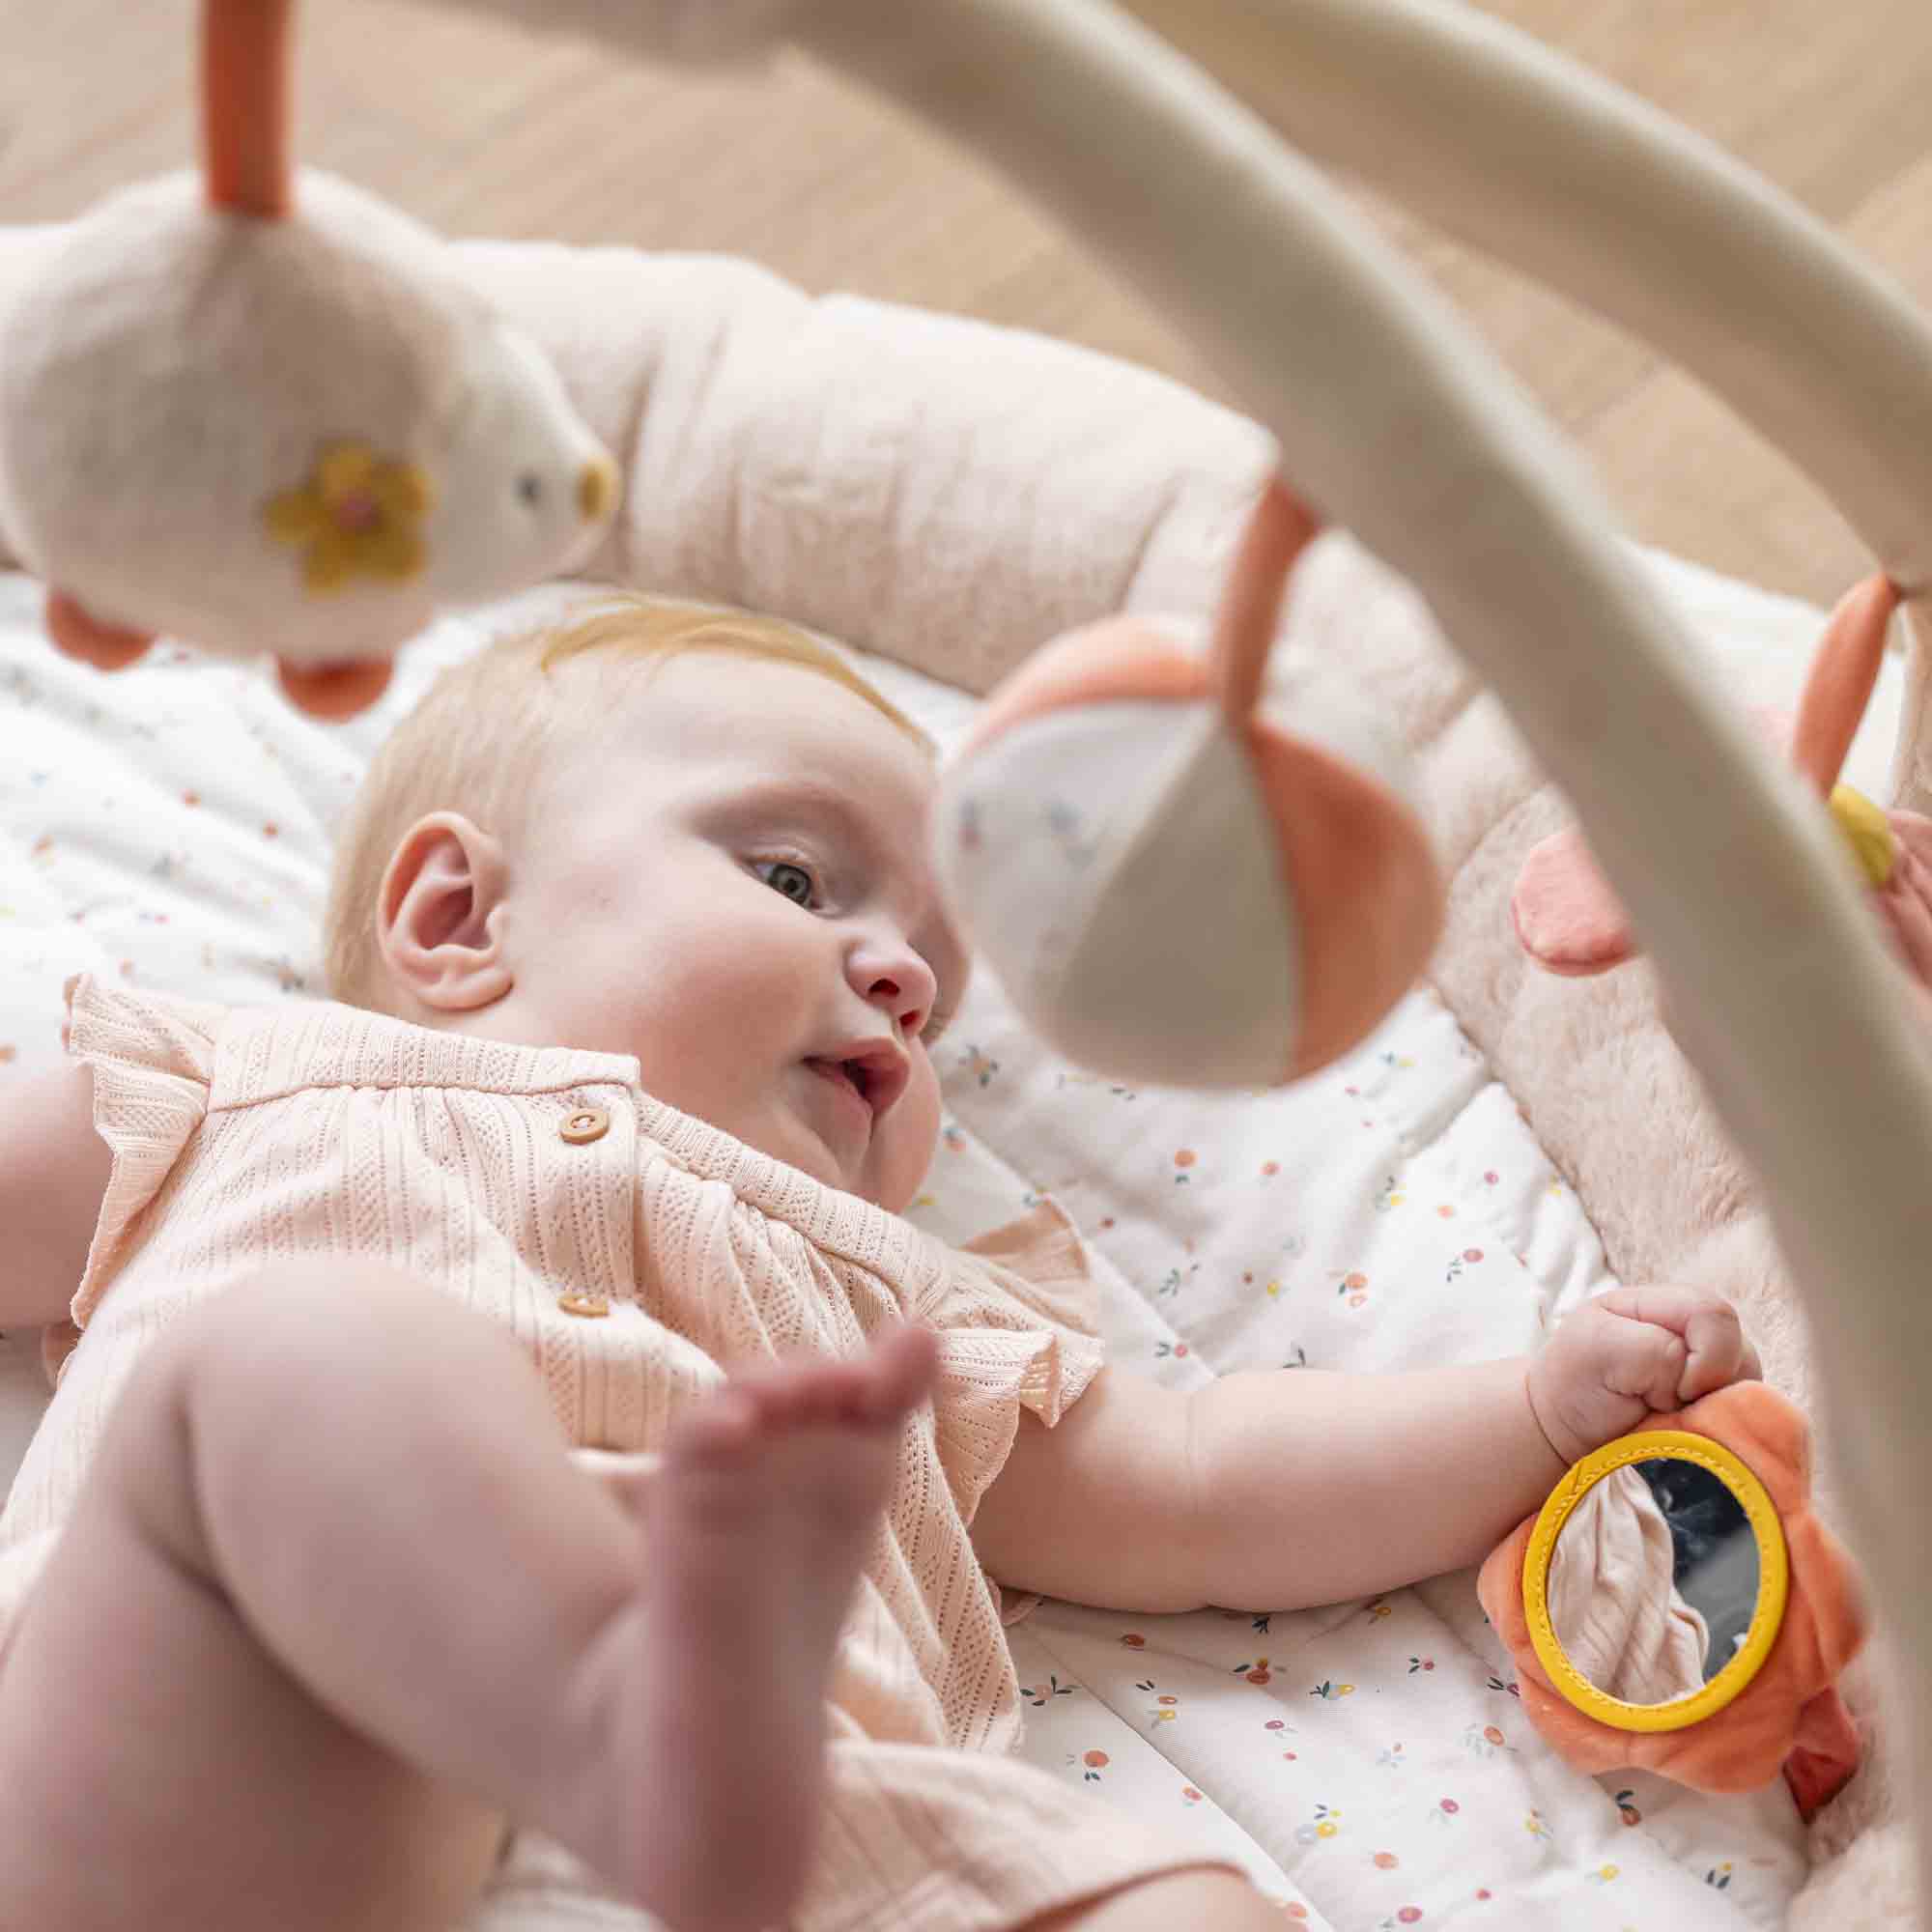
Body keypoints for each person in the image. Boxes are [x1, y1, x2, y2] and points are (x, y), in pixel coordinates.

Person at [0, 595, 1762, 1932]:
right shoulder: (245, 1086)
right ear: (460, 922)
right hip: (262, 1807)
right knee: (302, 1365)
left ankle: (674, 1746)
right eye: (792, 873)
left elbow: (1208, 1488)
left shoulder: (896, 1301)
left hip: (833, 1857)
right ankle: (622, 1723)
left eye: (931, 966)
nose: (903, 976)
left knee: (1176, 1899)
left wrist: (1531, 1405)